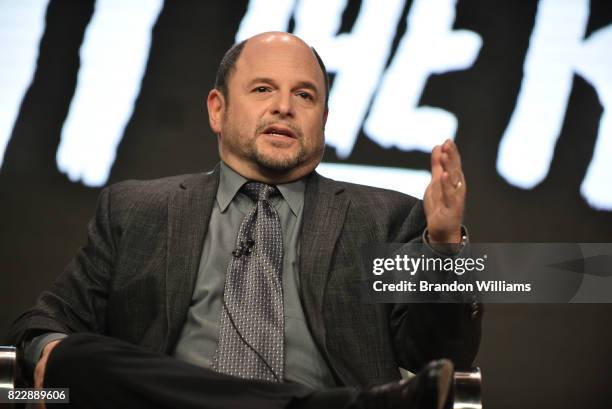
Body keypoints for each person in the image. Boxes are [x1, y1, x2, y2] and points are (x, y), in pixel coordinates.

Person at [7, 31, 481, 409]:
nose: (284, 107)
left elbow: (442, 355)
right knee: (75, 354)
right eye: (262, 89)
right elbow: (41, 323)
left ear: (324, 119)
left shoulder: (386, 217)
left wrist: (442, 245)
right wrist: (50, 352)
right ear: (218, 109)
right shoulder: (135, 210)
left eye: (305, 95)